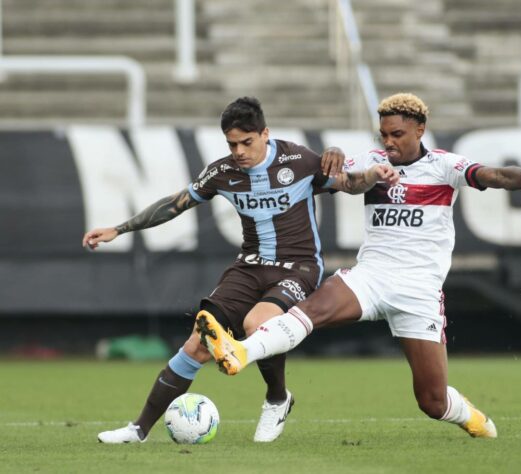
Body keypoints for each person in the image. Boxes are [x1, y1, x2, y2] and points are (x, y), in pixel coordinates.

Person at [200, 92, 521, 438]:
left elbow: (495, 175)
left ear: (420, 130)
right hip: (371, 275)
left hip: (418, 289)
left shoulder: (444, 166)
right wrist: (332, 151)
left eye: (397, 133)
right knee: (310, 310)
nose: (388, 141)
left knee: (433, 402)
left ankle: (473, 418)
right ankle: (242, 352)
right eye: (383, 133)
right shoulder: (373, 162)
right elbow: (336, 175)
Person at [83, 96, 398, 444]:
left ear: (265, 133)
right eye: (232, 143)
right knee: (198, 343)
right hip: (249, 266)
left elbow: (351, 184)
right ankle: (138, 430)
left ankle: (277, 398)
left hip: (298, 267)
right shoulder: (222, 172)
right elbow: (176, 203)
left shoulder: (299, 160)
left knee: (256, 324)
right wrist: (120, 229)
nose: (239, 151)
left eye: (246, 142)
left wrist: (371, 174)